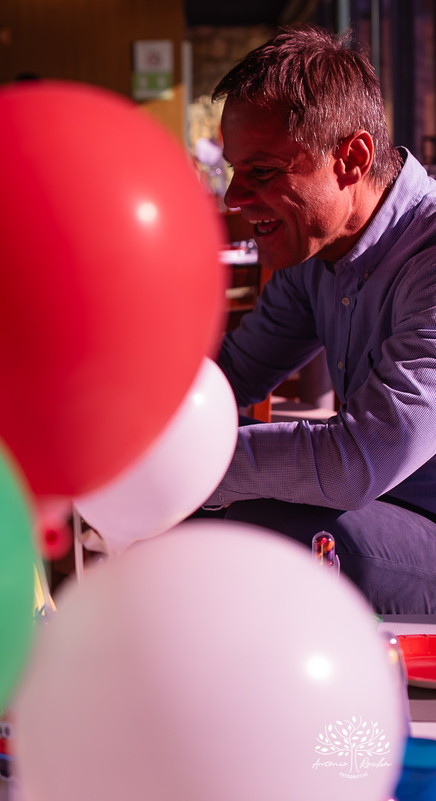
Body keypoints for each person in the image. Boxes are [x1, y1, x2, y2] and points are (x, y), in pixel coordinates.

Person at [204, 26, 436, 614]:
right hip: (390, 509)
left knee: (252, 536)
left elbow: (361, 459)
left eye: (262, 172)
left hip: (420, 521)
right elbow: (232, 374)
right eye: (234, 170)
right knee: (209, 520)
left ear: (351, 158)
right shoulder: (317, 249)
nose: (234, 197)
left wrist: (187, 464)